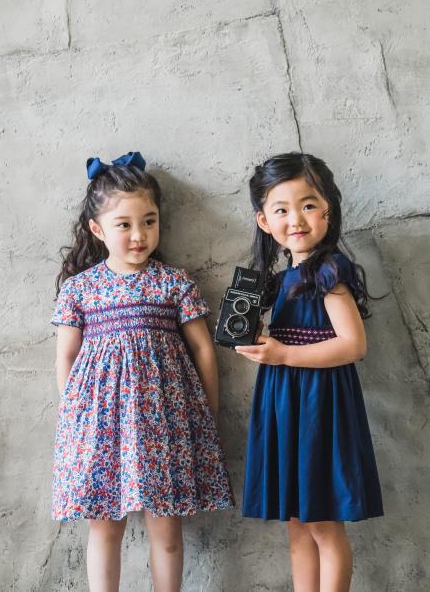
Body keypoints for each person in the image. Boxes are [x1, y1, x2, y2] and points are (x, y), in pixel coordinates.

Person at [50, 152, 233, 592]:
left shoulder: (174, 282)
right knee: (104, 530)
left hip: (162, 425)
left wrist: (206, 411)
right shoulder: (80, 289)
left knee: (166, 532)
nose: (138, 235)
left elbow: (203, 349)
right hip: (100, 426)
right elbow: (66, 357)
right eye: (124, 224)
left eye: (149, 222)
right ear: (97, 230)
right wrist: (75, 418)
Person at [236, 152, 384, 592]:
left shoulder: (328, 270)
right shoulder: (284, 278)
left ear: (327, 211)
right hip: (287, 404)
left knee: (321, 523)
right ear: (264, 221)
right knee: (298, 524)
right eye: (281, 209)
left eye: (307, 205)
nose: (296, 219)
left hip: (319, 405)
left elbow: (353, 345)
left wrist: (283, 354)